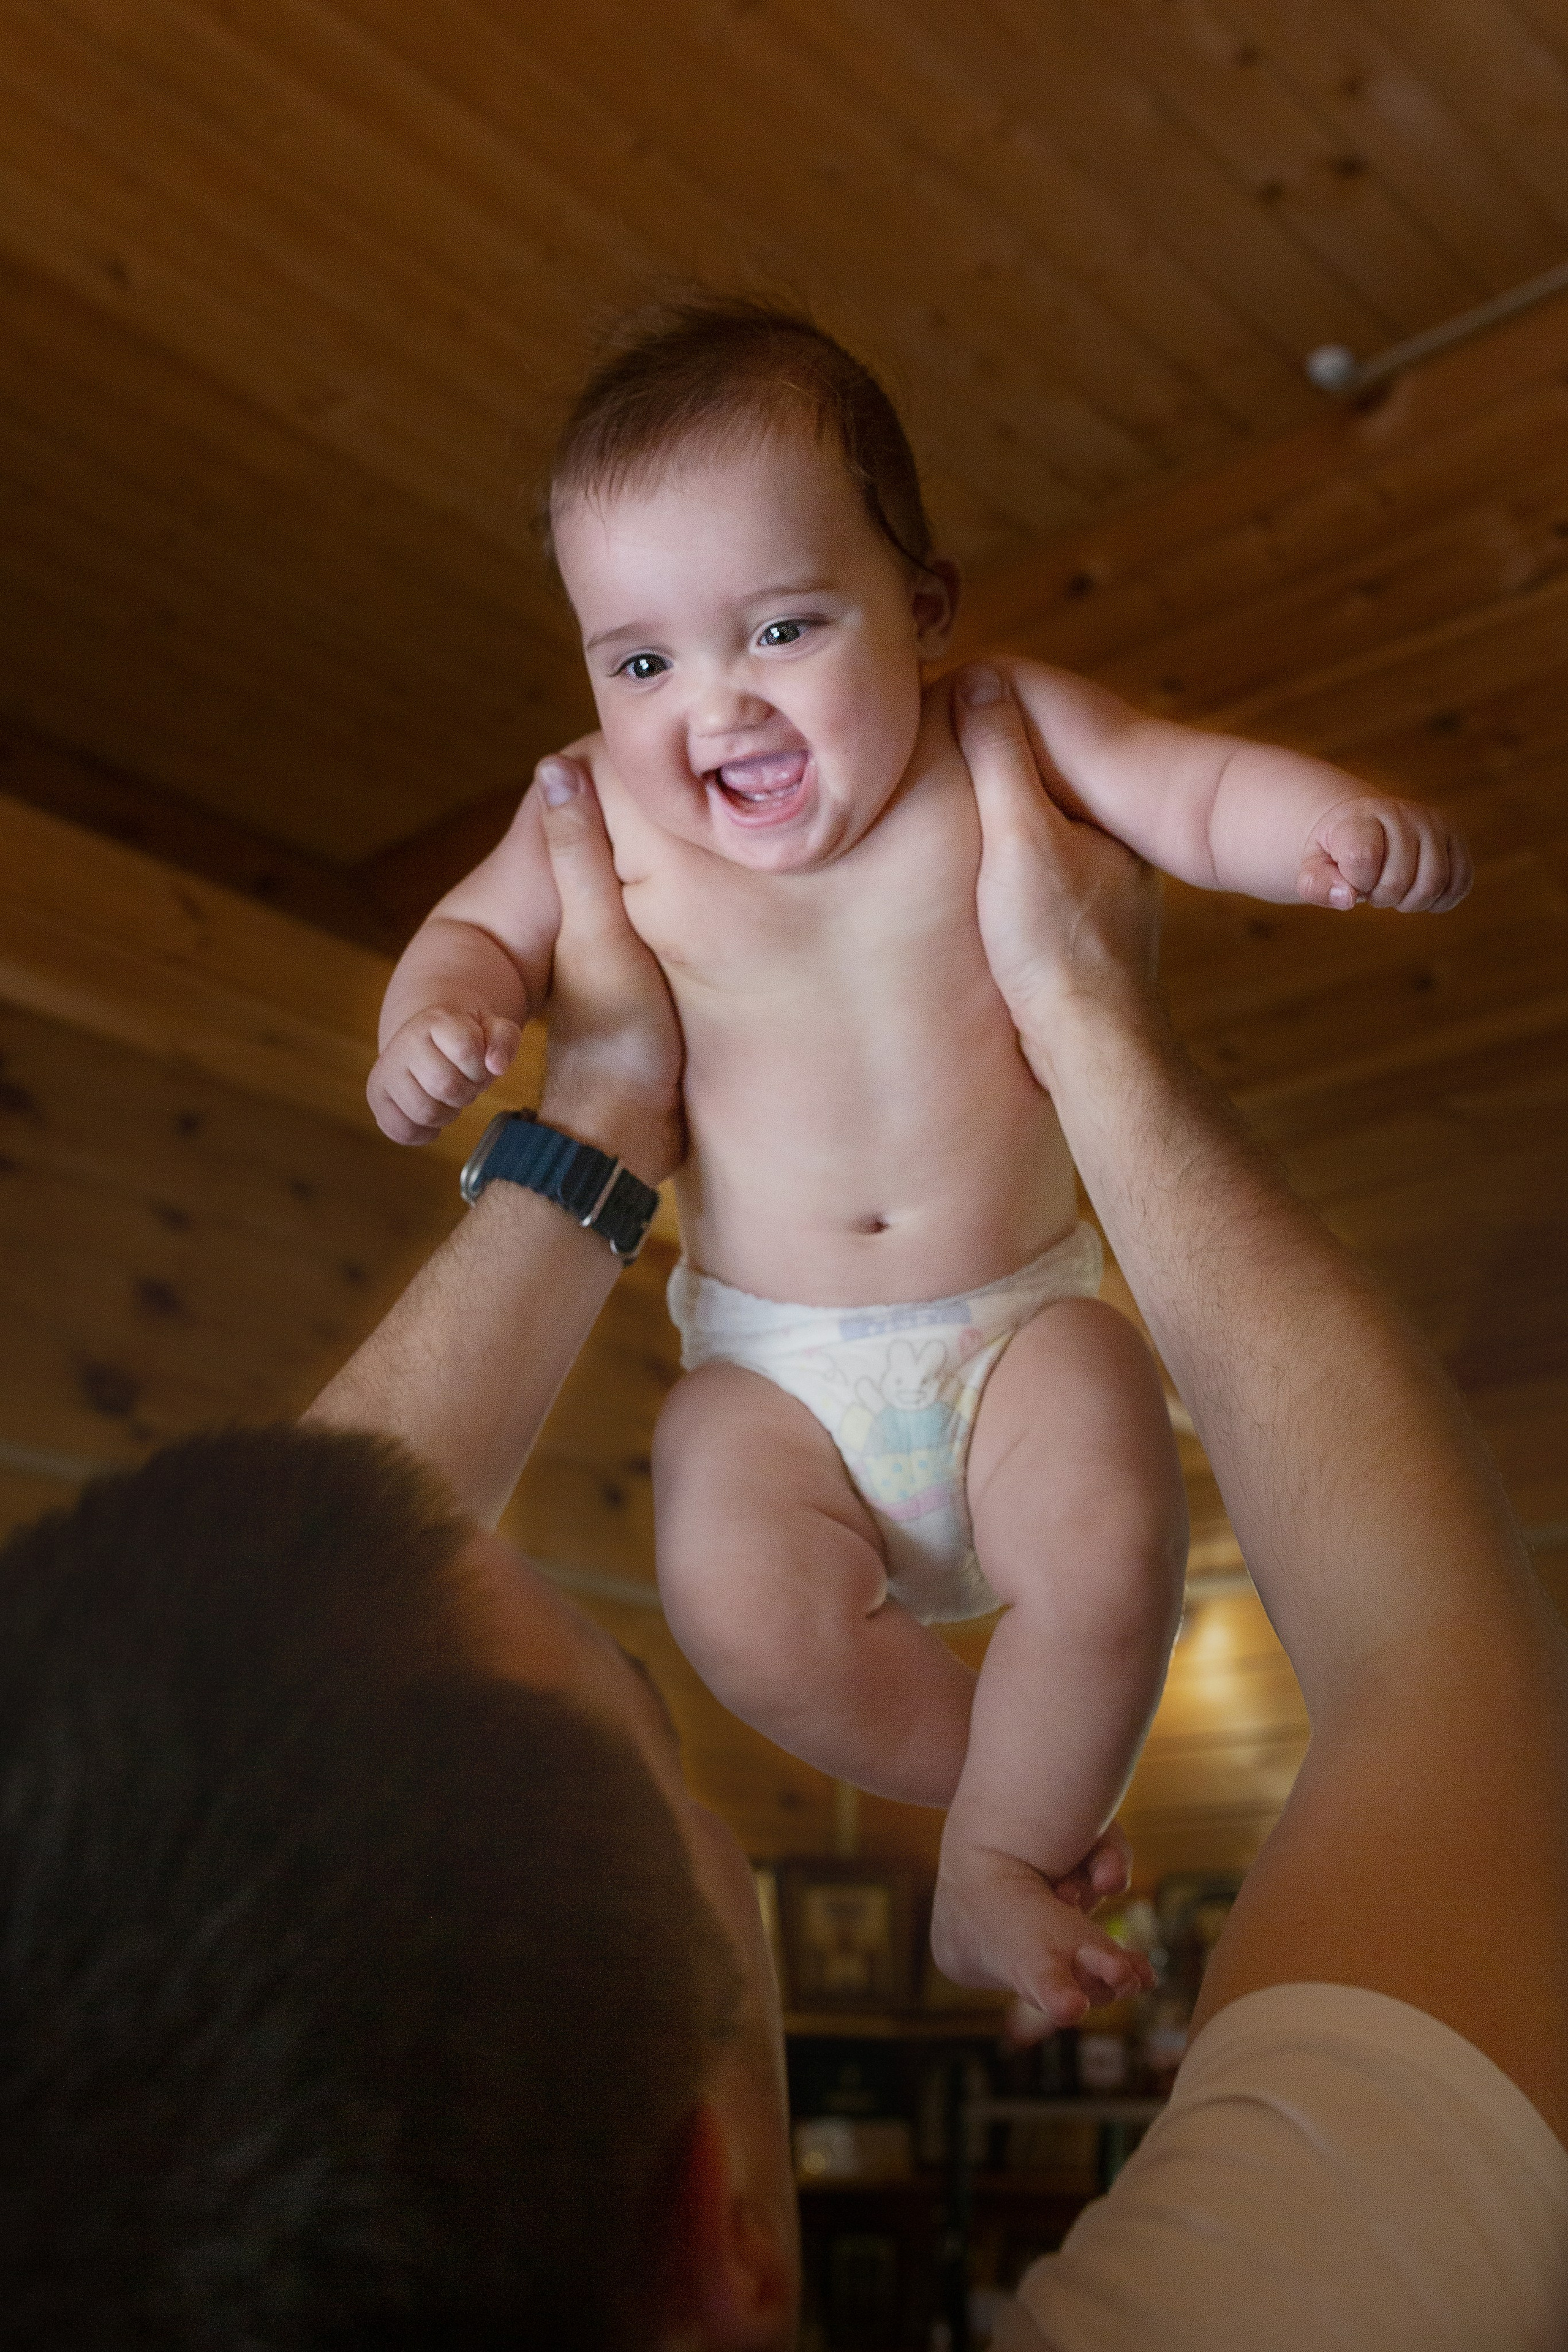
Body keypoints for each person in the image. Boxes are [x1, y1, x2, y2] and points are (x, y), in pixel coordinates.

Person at [2, 680, 1564, 2348]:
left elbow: (272, 1607)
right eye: (655, 1748)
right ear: (717, 2231)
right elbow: (1443, 1670)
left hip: (997, 1338)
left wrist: (598, 1096)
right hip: (801, 1377)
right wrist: (1093, 1021)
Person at [365, 303, 1473, 2028]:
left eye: (783, 627)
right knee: (730, 1593)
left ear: (925, 609)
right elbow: (473, 937)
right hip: (773, 1369)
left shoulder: (997, 734)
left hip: (1020, 1321)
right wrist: (433, 1017)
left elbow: (1183, 792)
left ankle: (995, 1861)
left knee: (1115, 1540)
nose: (710, 703)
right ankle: (1001, 1811)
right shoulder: (595, 808)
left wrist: (1311, 829)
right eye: (640, 660)